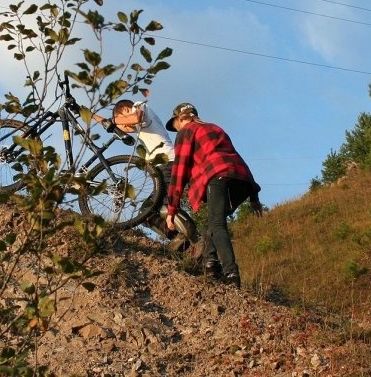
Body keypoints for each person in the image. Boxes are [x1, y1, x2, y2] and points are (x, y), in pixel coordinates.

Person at [164, 103, 262, 288]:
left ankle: (231, 274)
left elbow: (179, 170)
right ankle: (210, 265)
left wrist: (172, 209)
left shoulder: (187, 131)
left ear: (182, 118)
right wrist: (254, 197)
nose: (176, 128)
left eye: (175, 123)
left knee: (217, 225)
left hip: (218, 175)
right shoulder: (215, 128)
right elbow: (236, 156)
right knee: (212, 222)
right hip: (241, 180)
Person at [92, 100, 199, 249]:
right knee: (146, 213)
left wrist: (114, 120)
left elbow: (136, 117)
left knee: (167, 205)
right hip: (160, 167)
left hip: (168, 162)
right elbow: (114, 126)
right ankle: (180, 242)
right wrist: (92, 116)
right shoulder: (141, 129)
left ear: (125, 109)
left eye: (121, 118)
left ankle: (196, 237)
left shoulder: (140, 106)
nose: (123, 126)